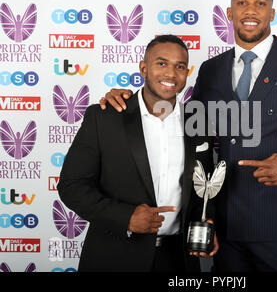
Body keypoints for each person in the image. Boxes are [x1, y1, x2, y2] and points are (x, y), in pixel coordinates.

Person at [100, 0, 277, 272]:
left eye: (261, 3)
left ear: (272, 13)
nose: (251, 11)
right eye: (242, 3)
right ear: (229, 13)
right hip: (222, 224)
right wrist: (129, 101)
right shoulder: (212, 69)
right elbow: (187, 125)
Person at [57, 35, 217, 272]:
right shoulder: (104, 117)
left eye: (180, 66)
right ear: (144, 68)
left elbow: (204, 187)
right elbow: (71, 187)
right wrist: (126, 217)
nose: (171, 74)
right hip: (115, 256)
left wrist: (208, 220)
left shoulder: (199, 124)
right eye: (161, 63)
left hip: (178, 259)